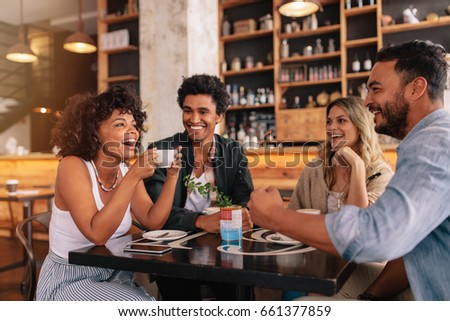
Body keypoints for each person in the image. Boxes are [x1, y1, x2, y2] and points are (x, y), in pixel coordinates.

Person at [248, 40, 450, 300]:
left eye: (376, 89)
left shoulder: (433, 143)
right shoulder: (429, 141)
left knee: (302, 305)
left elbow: (374, 237)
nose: (367, 100)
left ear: (416, 88)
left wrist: (273, 215)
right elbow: (414, 245)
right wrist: (370, 298)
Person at [36, 84, 182, 300]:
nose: (133, 131)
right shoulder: (73, 166)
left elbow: (153, 221)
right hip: (69, 280)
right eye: (120, 123)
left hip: (115, 273)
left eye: (134, 124)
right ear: (95, 132)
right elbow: (97, 234)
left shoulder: (124, 170)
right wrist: (133, 176)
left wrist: (172, 177)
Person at [289, 96, 413, 300]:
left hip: (365, 264)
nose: (331, 127)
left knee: (312, 294)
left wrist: (356, 165)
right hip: (317, 261)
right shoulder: (316, 169)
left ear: (360, 125)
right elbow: (293, 215)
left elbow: (360, 230)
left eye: (341, 120)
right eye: (329, 121)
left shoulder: (381, 175)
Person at [144, 74, 254, 300]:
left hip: (224, 246)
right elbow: (155, 213)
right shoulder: (161, 150)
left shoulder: (233, 150)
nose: (194, 119)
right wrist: (201, 221)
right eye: (187, 110)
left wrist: (244, 214)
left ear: (219, 116)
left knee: (238, 292)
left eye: (203, 112)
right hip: (173, 250)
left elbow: (245, 200)